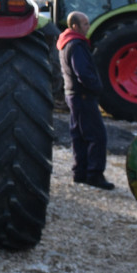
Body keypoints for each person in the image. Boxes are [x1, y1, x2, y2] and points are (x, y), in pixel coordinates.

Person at [57, 10, 114, 190]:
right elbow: (82, 72)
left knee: (79, 135)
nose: (88, 27)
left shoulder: (66, 43)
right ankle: (94, 175)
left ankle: (79, 173)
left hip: (72, 94)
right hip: (83, 95)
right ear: (75, 26)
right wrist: (97, 88)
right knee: (96, 136)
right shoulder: (77, 45)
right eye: (86, 24)